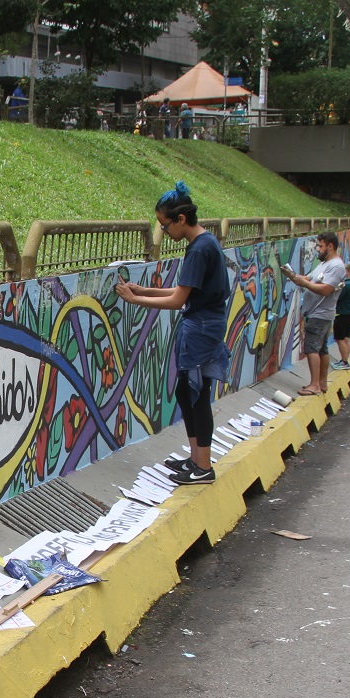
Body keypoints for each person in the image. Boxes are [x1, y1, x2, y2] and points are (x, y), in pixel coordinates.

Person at [114, 181, 230, 485]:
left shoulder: (199, 249)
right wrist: (145, 289)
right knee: (185, 391)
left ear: (181, 219)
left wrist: (134, 299)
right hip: (203, 323)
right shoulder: (205, 243)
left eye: (165, 227)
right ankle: (196, 458)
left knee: (197, 395)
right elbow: (184, 290)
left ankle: (202, 466)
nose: (165, 233)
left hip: (201, 327)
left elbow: (178, 300)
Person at [281, 231, 346, 396]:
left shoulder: (336, 266)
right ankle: (321, 383)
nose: (317, 249)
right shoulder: (324, 264)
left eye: (320, 246)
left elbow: (326, 289)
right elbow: (309, 278)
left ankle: (314, 384)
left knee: (312, 349)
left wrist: (304, 283)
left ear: (330, 246)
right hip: (317, 313)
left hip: (320, 313)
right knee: (322, 349)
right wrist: (294, 277)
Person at [331, 262, 350, 371]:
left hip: (342, 314)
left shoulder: (346, 285)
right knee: (347, 338)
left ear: (349, 271)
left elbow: (337, 297)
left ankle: (344, 362)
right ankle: (344, 360)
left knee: (339, 339)